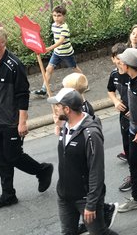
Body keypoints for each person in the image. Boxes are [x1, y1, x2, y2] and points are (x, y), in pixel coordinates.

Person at [0, 26, 54, 209]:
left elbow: (22, 95)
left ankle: (42, 170)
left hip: (10, 121)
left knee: (12, 156)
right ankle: (8, 194)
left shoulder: (14, 65)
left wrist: (22, 122)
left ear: (3, 42)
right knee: (0, 158)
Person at [48, 88, 118, 235]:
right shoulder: (65, 126)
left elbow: (96, 170)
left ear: (67, 109)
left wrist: (91, 204)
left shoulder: (91, 134)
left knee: (99, 233)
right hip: (65, 195)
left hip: (85, 198)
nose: (55, 109)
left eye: (58, 106)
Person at [116, 48, 137, 212]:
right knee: (135, 164)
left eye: (121, 61)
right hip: (134, 129)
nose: (119, 63)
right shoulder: (132, 78)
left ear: (128, 66)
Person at [35, 5, 83, 97]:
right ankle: (44, 89)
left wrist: (49, 48)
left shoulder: (64, 28)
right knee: (49, 69)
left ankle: (84, 84)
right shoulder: (53, 26)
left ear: (64, 16)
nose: (56, 18)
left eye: (59, 16)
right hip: (57, 52)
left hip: (66, 53)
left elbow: (61, 41)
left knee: (74, 68)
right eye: (54, 16)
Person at [106, 43, 130, 164]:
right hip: (124, 111)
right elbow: (110, 90)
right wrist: (115, 101)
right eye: (117, 58)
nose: (120, 61)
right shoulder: (114, 74)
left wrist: (136, 109)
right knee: (126, 136)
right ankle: (129, 156)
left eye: (122, 58)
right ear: (113, 59)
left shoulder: (132, 72)